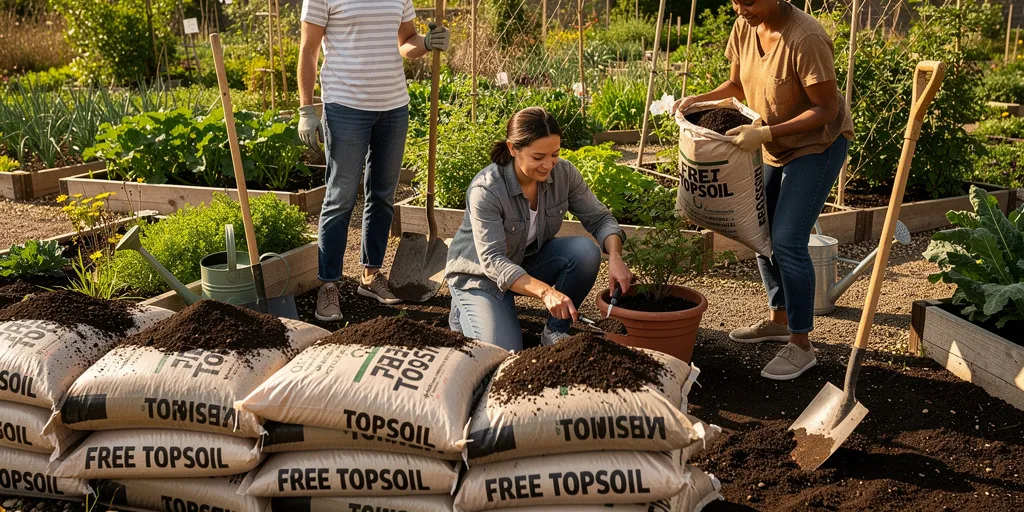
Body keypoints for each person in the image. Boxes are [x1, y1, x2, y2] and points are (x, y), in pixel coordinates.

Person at [674, 0, 854, 380]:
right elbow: (737, 85)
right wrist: (699, 99)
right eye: (735, 0)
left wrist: (767, 132)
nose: (741, 8)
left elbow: (827, 108)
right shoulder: (745, 25)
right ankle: (779, 319)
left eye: (750, 1)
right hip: (769, 145)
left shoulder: (806, 37)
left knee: (787, 240)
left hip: (816, 144)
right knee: (758, 229)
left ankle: (801, 344)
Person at [297, 0, 450, 321]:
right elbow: (309, 50)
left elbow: (404, 43)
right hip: (344, 105)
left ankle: (371, 274)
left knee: (382, 194)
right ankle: (329, 284)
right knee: (340, 197)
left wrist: (425, 42)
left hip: (394, 107)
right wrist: (306, 108)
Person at [445, 107, 634, 351]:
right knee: (504, 353)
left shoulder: (564, 174)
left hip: (525, 262)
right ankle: (465, 311)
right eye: (538, 157)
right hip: (480, 277)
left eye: (554, 154)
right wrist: (545, 293)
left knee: (584, 251)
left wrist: (616, 257)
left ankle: (555, 331)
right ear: (513, 148)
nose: (548, 164)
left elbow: (600, 219)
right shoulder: (487, 190)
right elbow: (492, 260)